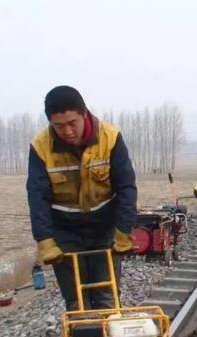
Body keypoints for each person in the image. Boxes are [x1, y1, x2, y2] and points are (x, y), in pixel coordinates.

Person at [26, 86, 136, 311]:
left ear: (84, 113)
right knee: (76, 299)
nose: (66, 131)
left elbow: (126, 187)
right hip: (65, 230)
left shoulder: (110, 138)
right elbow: (37, 196)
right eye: (58, 126)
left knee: (107, 294)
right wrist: (45, 240)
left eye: (71, 123)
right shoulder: (40, 146)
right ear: (50, 122)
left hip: (104, 226)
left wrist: (124, 231)